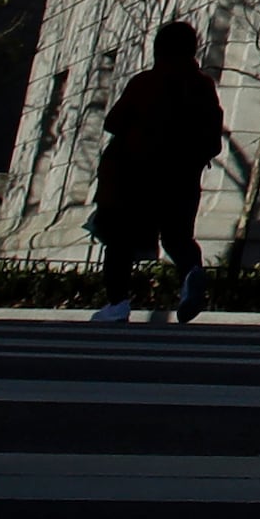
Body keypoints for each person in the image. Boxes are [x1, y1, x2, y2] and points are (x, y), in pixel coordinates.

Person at [87, 21, 225, 325]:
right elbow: (213, 139)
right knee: (177, 238)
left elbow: (114, 122)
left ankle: (118, 303)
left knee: (119, 242)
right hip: (183, 178)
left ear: (159, 48)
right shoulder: (203, 86)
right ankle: (192, 273)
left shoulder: (146, 82)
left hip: (135, 176)